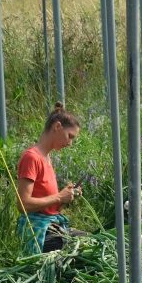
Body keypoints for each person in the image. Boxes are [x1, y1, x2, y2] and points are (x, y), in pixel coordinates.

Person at [16, 102, 83, 254]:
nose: (70, 143)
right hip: (37, 231)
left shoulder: (46, 158)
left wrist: (65, 198)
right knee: (79, 249)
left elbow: (49, 208)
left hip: (51, 225)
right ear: (57, 126)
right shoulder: (32, 158)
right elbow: (23, 204)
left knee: (91, 240)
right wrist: (59, 196)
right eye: (69, 136)